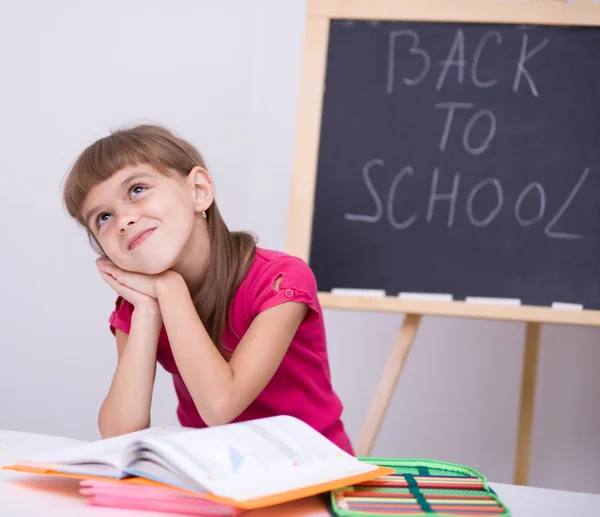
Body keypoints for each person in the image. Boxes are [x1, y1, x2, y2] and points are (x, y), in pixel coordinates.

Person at [62, 124, 354, 454]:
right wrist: (147, 310)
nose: (123, 220)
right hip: (220, 477)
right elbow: (119, 435)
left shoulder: (281, 279)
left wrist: (170, 288)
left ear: (199, 190)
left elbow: (220, 406)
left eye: (137, 189)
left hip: (315, 472)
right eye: (103, 217)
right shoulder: (139, 304)